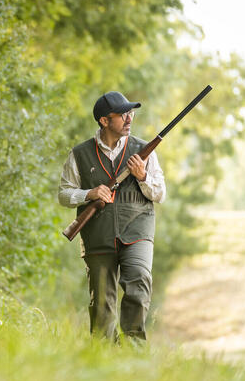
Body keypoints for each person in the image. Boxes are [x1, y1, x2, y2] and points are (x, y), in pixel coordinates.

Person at [58, 90, 166, 342]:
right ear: (104, 121)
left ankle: (133, 349)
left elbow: (160, 193)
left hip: (137, 230)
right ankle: (104, 356)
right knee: (101, 304)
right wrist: (90, 194)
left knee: (139, 281)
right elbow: (64, 194)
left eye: (131, 113)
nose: (129, 119)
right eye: (122, 115)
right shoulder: (80, 154)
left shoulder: (144, 150)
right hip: (97, 232)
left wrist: (142, 176)